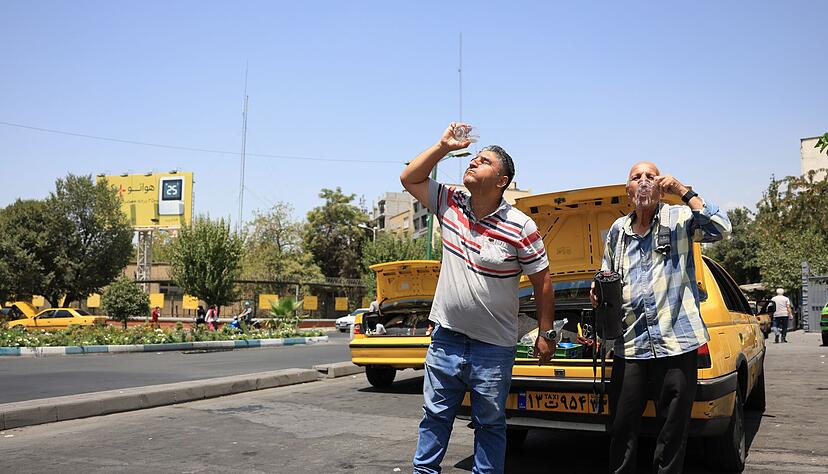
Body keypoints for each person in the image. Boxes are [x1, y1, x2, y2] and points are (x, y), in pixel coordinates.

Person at [401, 123, 555, 474]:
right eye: (471, 158)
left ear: (501, 180)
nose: (472, 162)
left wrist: (547, 333)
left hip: (493, 347)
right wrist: (442, 147)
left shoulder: (520, 226)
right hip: (446, 340)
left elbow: (543, 281)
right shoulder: (450, 202)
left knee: (489, 425)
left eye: (483, 161)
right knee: (435, 418)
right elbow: (409, 178)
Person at [591, 162, 731, 473]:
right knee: (622, 427)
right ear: (627, 189)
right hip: (630, 345)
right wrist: (599, 285)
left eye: (650, 177)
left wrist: (683, 191)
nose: (643, 182)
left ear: (661, 186)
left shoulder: (679, 217)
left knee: (672, 431)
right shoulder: (617, 230)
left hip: (677, 343)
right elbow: (607, 270)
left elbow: (722, 228)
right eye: (635, 177)